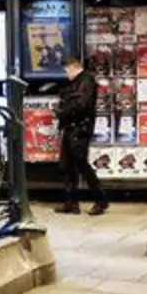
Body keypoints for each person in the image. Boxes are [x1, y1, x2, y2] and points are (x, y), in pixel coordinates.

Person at [54, 56, 107, 215]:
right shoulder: (77, 82)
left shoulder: (86, 81)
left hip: (80, 128)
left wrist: (63, 112)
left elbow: (82, 105)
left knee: (81, 164)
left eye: (66, 71)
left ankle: (100, 200)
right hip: (71, 127)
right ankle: (71, 202)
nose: (66, 75)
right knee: (66, 165)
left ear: (72, 67)